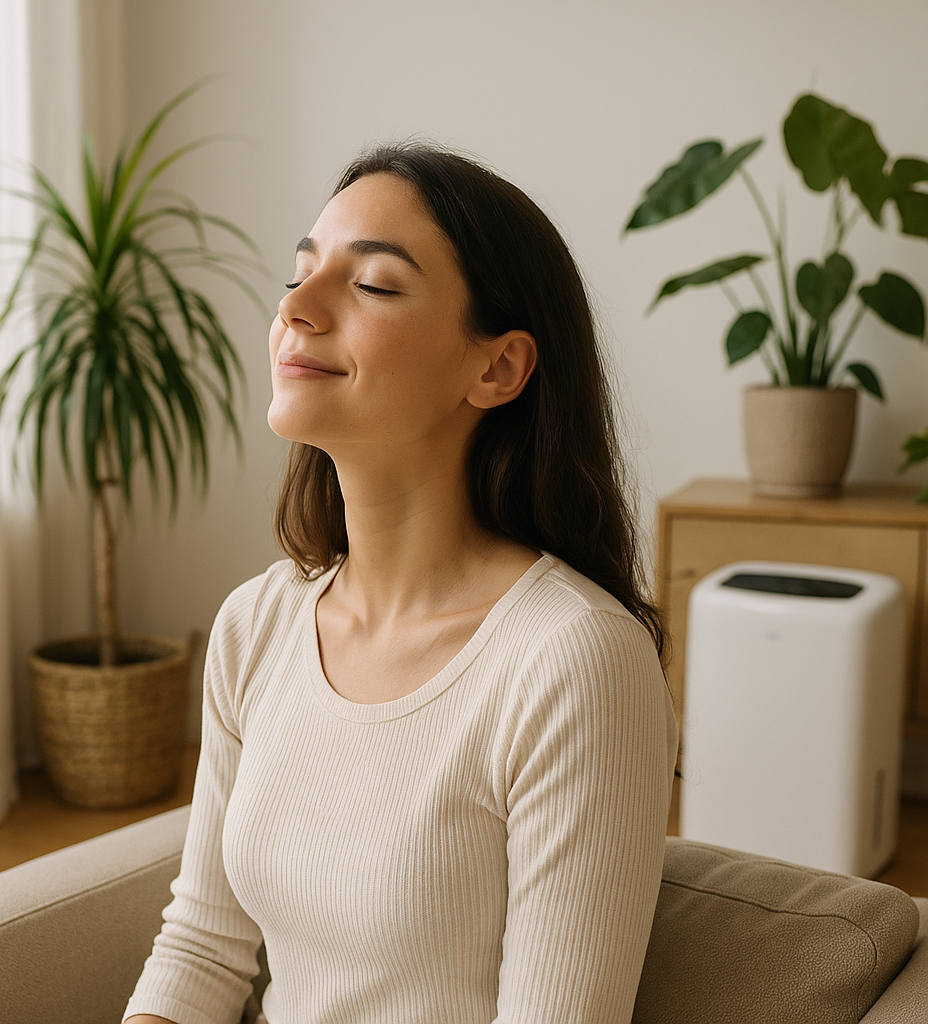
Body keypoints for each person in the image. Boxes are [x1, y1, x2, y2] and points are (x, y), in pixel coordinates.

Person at [124, 142, 678, 1024]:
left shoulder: (574, 662)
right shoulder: (255, 624)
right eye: (300, 272)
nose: (295, 308)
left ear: (497, 368)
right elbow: (201, 946)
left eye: (373, 284)